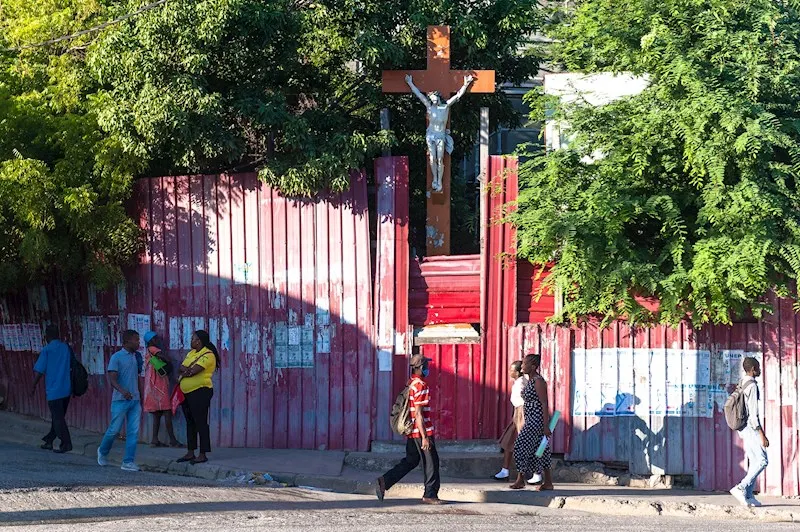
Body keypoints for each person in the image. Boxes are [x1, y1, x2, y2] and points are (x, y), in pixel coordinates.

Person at [375, 354, 442, 505]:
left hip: (412, 432)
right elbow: (418, 413)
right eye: (426, 366)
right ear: (421, 368)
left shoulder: (411, 383)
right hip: (421, 431)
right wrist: (425, 437)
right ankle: (430, 494)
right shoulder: (421, 386)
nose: (428, 369)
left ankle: (384, 481)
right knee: (432, 463)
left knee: (411, 461)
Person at [405, 73, 474, 192]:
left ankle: (439, 181)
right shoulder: (429, 107)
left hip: (440, 135)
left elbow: (458, 95)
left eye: (435, 98)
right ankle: (435, 179)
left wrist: (466, 84)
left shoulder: (445, 107)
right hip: (431, 135)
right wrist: (410, 83)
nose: (434, 101)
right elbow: (419, 95)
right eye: (432, 99)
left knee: (440, 159)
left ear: (438, 98)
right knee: (432, 158)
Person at [98, 330, 143, 472]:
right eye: (136, 340)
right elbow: (112, 379)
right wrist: (123, 391)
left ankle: (128, 461)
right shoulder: (116, 357)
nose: (138, 343)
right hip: (120, 400)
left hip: (135, 400)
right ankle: (102, 451)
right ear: (127, 341)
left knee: (133, 432)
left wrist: (140, 396)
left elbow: (137, 378)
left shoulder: (137, 357)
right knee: (114, 430)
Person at [510, 354, 554, 490]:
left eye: (525, 364)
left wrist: (545, 425)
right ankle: (548, 482)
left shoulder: (538, 381)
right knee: (541, 450)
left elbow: (544, 403)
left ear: (533, 366)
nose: (522, 366)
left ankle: (520, 479)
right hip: (531, 418)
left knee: (520, 446)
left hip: (536, 420)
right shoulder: (530, 380)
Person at [730, 357, 769, 507]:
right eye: (758, 367)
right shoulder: (752, 385)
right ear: (753, 369)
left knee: (754, 461)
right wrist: (762, 434)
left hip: (743, 427)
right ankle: (741, 487)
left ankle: (748, 495)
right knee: (762, 461)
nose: (760, 370)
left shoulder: (743, 382)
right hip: (750, 428)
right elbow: (753, 415)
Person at [176, 330, 219, 465]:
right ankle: (190, 452)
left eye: (193, 338)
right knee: (190, 422)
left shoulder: (208, 355)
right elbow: (181, 368)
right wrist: (186, 371)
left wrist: (186, 371)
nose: (191, 341)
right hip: (186, 393)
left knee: (201, 422)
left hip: (200, 391)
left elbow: (194, 371)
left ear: (199, 341)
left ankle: (203, 453)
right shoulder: (191, 353)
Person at [31, 324, 73, 453]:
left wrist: (33, 386)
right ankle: (49, 441)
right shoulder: (66, 348)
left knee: (58, 418)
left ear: (46, 336)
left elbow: (39, 371)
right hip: (66, 389)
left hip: (54, 391)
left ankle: (66, 443)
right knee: (58, 417)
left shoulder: (47, 350)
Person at [142, 331, 181, 448]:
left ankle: (154, 440)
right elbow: (164, 358)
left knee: (157, 414)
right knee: (167, 411)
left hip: (152, 385)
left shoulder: (147, 351)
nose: (157, 340)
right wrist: (169, 360)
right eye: (154, 338)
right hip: (159, 385)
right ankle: (173, 440)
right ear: (150, 341)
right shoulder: (154, 349)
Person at [495, 360, 526, 480]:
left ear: (517, 372)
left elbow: (526, 398)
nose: (509, 372)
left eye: (511, 370)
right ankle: (505, 471)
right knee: (508, 441)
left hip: (522, 413)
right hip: (517, 413)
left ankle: (534, 473)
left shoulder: (522, 383)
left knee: (524, 443)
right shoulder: (518, 382)